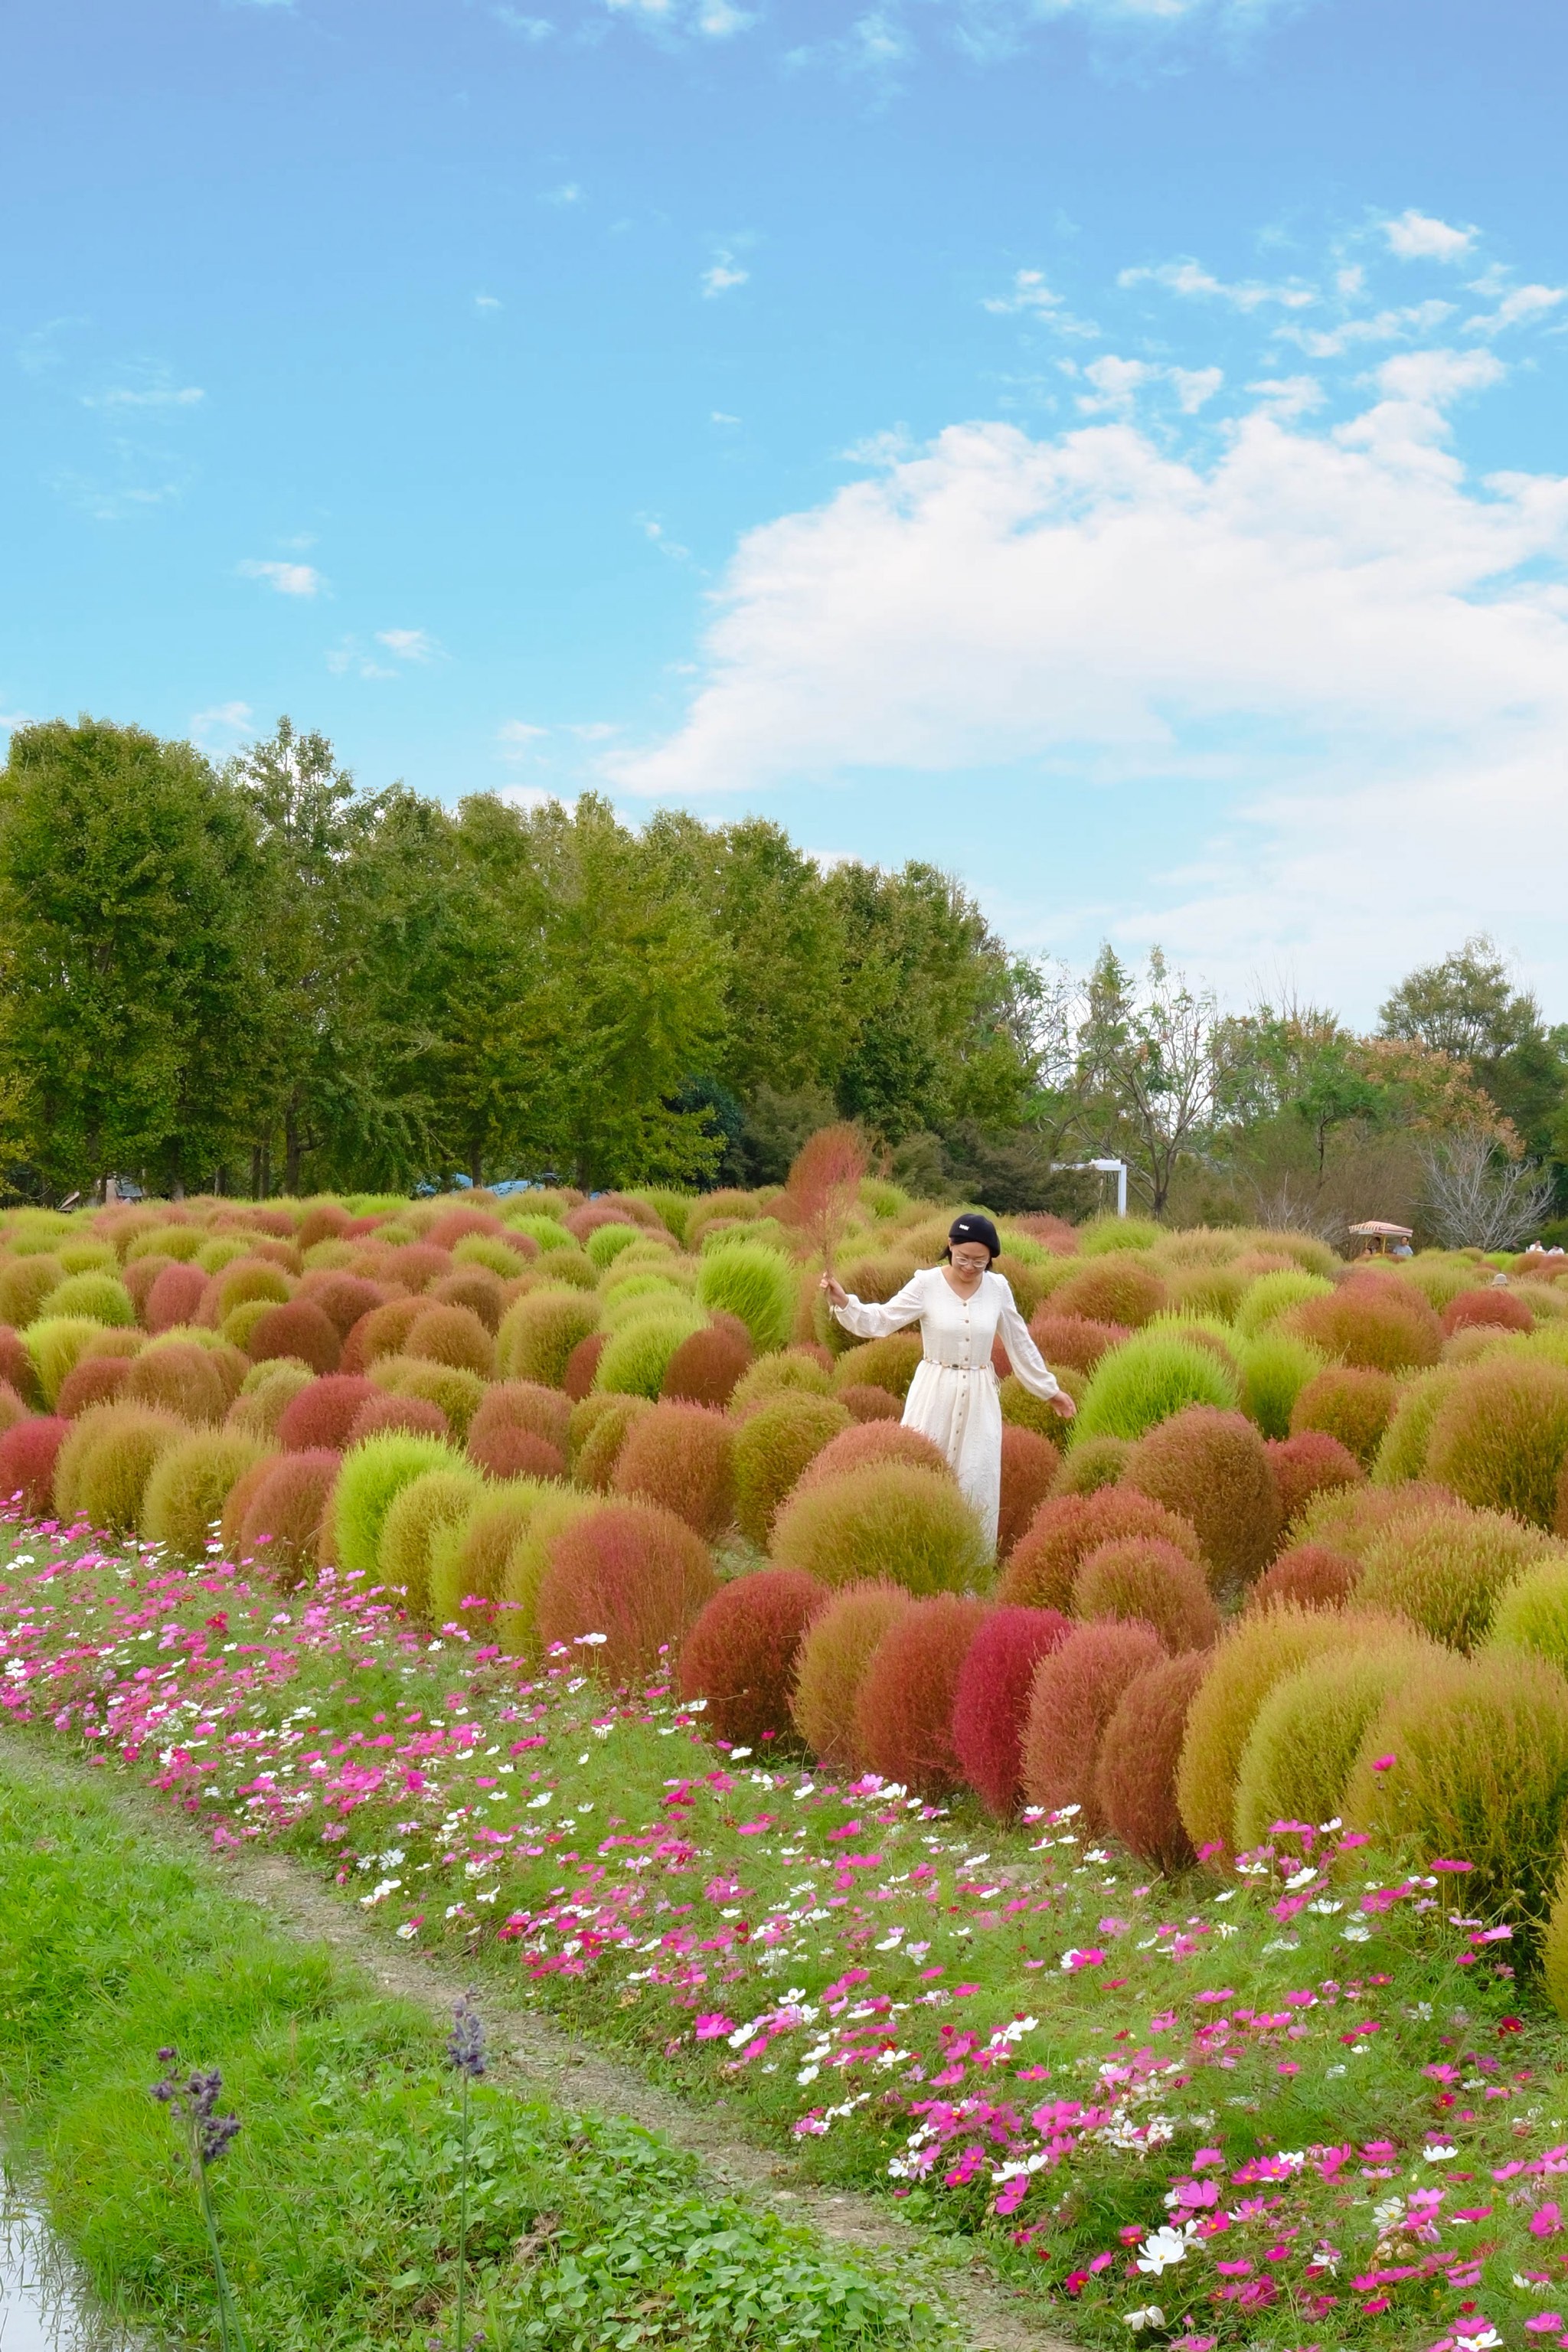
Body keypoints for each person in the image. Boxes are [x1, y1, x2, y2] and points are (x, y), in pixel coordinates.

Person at [819, 1211, 1075, 1553]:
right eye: (963, 1258)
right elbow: (882, 1320)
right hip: (933, 1390)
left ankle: (968, 1573)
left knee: (977, 1478)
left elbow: (1020, 1342)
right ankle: (914, 1560)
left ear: (991, 1260)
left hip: (980, 1396)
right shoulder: (927, 1284)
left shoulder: (998, 1289)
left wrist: (1049, 1390)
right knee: (923, 1470)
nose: (969, 1267)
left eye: (980, 1262)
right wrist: (846, 1303)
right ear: (949, 1247)